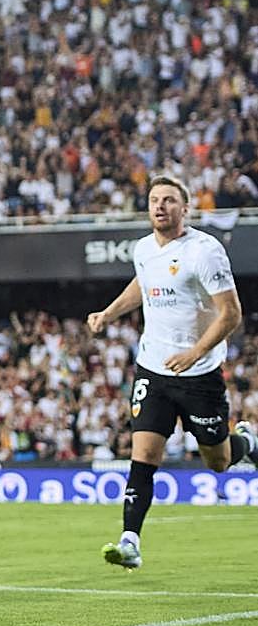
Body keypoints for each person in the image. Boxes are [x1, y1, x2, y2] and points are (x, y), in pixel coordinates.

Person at [89, 176, 258, 569]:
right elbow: (144, 283)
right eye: (154, 200)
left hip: (199, 373)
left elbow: (231, 313)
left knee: (217, 461)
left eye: (168, 200)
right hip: (153, 369)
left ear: (185, 208)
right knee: (144, 454)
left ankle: (247, 441)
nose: (160, 206)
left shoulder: (205, 251)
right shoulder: (144, 249)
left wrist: (195, 353)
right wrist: (109, 313)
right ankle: (130, 542)